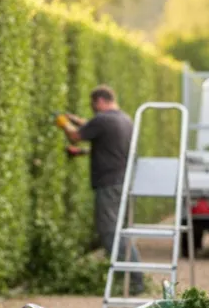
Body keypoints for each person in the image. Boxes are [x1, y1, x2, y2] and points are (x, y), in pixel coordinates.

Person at [57, 85, 145, 294]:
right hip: (122, 181)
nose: (93, 109)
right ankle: (132, 278)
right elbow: (103, 140)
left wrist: (63, 123)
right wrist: (81, 140)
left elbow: (76, 136)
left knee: (110, 233)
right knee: (118, 231)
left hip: (109, 182)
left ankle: (134, 280)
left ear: (99, 101)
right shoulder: (124, 119)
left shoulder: (103, 119)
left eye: (93, 105)